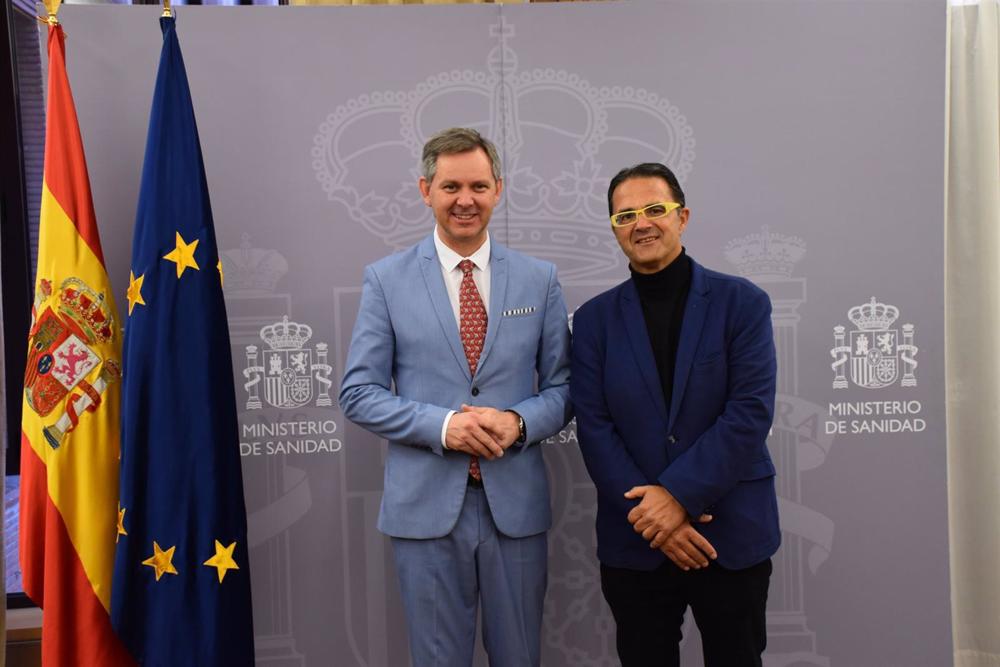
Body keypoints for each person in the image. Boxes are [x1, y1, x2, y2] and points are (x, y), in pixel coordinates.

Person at [339, 127, 572, 667]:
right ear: (426, 191)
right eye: (450, 187)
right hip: (424, 510)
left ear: (498, 189)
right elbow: (358, 393)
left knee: (519, 658)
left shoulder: (540, 280)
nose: (464, 200)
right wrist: (444, 426)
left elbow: (565, 388)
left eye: (477, 185)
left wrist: (517, 421)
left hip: (515, 508)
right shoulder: (386, 280)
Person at [570, 163, 779, 667]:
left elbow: (749, 413)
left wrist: (678, 497)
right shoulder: (594, 320)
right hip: (636, 537)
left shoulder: (742, 303)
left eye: (655, 210)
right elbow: (594, 427)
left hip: (728, 533)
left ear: (682, 217)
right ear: (615, 228)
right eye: (625, 215)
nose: (641, 223)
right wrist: (655, 517)